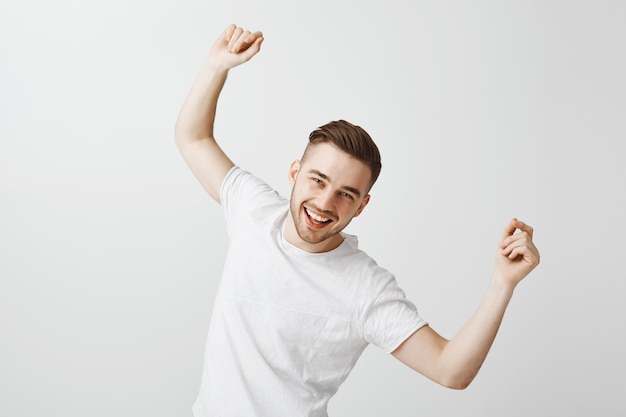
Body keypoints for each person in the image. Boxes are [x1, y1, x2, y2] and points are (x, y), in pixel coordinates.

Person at [175, 24, 540, 417]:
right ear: (295, 172)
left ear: (362, 206)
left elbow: (450, 370)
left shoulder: (364, 288)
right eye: (318, 180)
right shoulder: (253, 210)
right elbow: (193, 137)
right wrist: (217, 66)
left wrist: (503, 283)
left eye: (346, 194)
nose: (324, 202)